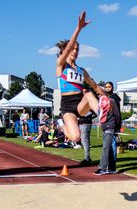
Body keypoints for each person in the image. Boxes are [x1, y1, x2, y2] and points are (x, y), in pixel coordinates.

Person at [56, 11, 108, 143]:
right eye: (72, 48)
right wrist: (78, 28)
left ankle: (103, 116)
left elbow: (95, 86)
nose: (74, 51)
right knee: (75, 138)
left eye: (77, 49)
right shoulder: (61, 66)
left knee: (90, 94)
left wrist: (107, 98)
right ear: (65, 50)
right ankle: (61, 125)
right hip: (67, 106)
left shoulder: (81, 71)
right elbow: (67, 49)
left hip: (80, 104)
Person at [94, 98, 121, 175]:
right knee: (109, 148)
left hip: (110, 127)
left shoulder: (112, 101)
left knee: (105, 147)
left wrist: (117, 128)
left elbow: (117, 115)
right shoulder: (101, 102)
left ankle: (102, 168)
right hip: (105, 127)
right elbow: (100, 115)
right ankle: (112, 168)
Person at [78, 89, 97, 166]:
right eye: (83, 92)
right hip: (81, 123)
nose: (83, 93)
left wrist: (85, 115)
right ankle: (87, 157)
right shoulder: (81, 102)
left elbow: (95, 113)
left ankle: (87, 158)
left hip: (86, 123)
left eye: (85, 92)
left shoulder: (90, 102)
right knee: (83, 140)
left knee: (85, 141)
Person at [104, 81, 122, 161]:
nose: (108, 88)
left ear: (112, 88)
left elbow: (117, 112)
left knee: (112, 143)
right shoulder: (105, 97)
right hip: (106, 123)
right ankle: (108, 160)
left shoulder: (114, 98)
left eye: (109, 87)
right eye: (106, 87)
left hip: (113, 123)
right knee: (107, 143)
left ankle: (112, 161)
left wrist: (118, 124)